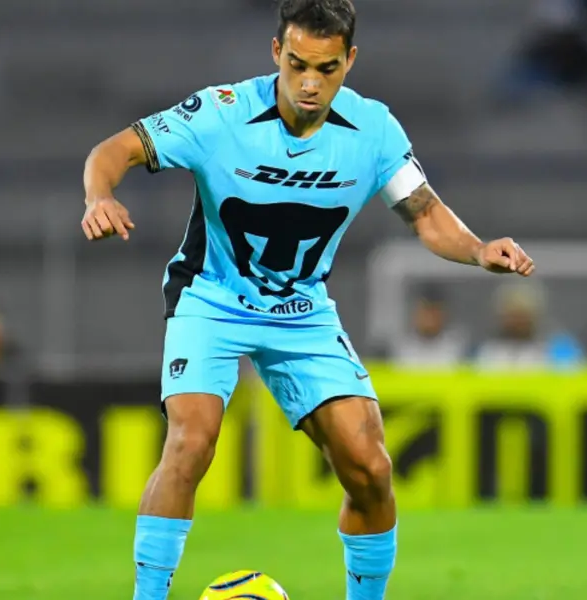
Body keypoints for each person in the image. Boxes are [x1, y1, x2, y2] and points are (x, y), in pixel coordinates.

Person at [79, 2, 536, 599]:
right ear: (277, 53)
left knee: (370, 467)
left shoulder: (373, 130)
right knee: (191, 441)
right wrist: (99, 196)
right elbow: (114, 150)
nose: (310, 83)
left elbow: (424, 213)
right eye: (297, 64)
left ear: (350, 60)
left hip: (301, 310)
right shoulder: (222, 113)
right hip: (212, 298)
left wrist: (477, 250)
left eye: (326, 68)